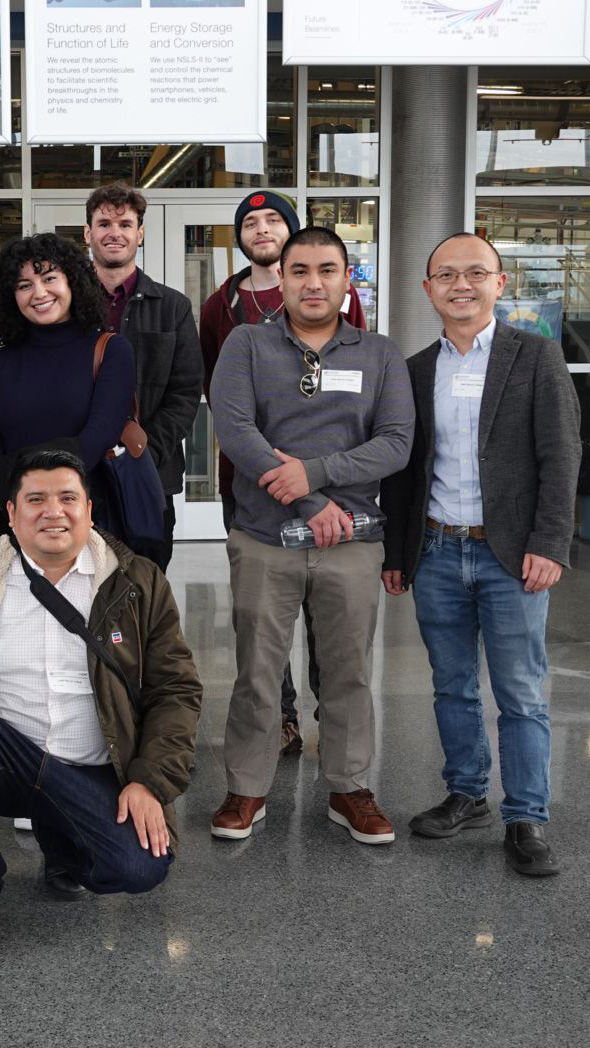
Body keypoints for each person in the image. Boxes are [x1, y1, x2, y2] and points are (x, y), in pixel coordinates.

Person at [0, 447, 202, 969]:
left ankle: (65, 842)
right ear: (11, 514)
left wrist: (148, 781)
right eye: (36, 499)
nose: (54, 511)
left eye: (68, 498)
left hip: (94, 768)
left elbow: (176, 691)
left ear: (89, 510)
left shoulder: (137, 582)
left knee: (141, 867)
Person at [381, 232, 580, 877]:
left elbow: (561, 456)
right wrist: (397, 551)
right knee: (452, 686)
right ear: (427, 288)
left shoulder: (536, 357)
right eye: (447, 275)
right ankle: (468, 795)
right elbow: (405, 472)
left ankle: (527, 816)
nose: (461, 285)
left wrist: (550, 542)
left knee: (521, 692)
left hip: (512, 557)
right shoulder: (413, 369)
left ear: (500, 283)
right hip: (438, 550)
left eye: (476, 273)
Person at [209, 226, 414, 846]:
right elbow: (237, 432)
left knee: (348, 670)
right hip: (264, 539)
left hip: (350, 540)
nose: (313, 282)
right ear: (283, 279)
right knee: (257, 672)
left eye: (327, 269)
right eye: (300, 271)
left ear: (347, 278)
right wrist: (309, 499)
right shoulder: (246, 343)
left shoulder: (379, 354)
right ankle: (247, 788)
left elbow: (396, 443)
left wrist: (316, 476)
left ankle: (350, 787)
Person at [200, 191, 370, 755]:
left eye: (273, 218)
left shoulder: (337, 303)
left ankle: (334, 718)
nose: (262, 228)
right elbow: (218, 394)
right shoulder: (220, 307)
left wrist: (314, 476)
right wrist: (270, 466)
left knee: (330, 617)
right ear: (240, 236)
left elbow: (359, 377)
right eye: (250, 221)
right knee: (263, 620)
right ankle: (284, 718)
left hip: (332, 490)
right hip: (250, 483)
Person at [0, 232, 136, 534]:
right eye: (24, 285)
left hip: (86, 519)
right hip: (12, 520)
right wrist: (18, 503)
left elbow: (97, 437)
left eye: (49, 278)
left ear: (72, 281)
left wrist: (29, 485)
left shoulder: (111, 350)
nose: (39, 293)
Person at [83, 181, 203, 570]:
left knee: (145, 588)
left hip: (152, 473)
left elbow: (185, 393)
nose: (114, 232)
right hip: (79, 477)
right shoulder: (64, 304)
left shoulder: (173, 307)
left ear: (140, 233)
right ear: (88, 233)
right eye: (103, 223)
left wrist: (143, 454)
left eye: (125, 223)